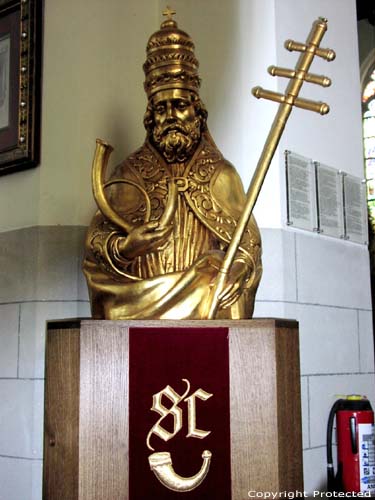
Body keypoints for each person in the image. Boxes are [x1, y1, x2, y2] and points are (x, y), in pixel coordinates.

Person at [83, 12, 262, 320]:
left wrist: (238, 264)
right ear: (151, 117)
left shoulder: (221, 173)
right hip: (141, 301)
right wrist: (126, 248)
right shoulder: (130, 172)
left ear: (197, 112)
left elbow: (248, 243)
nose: (170, 116)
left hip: (208, 301)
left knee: (220, 281)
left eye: (180, 106)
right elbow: (96, 244)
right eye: (161, 108)